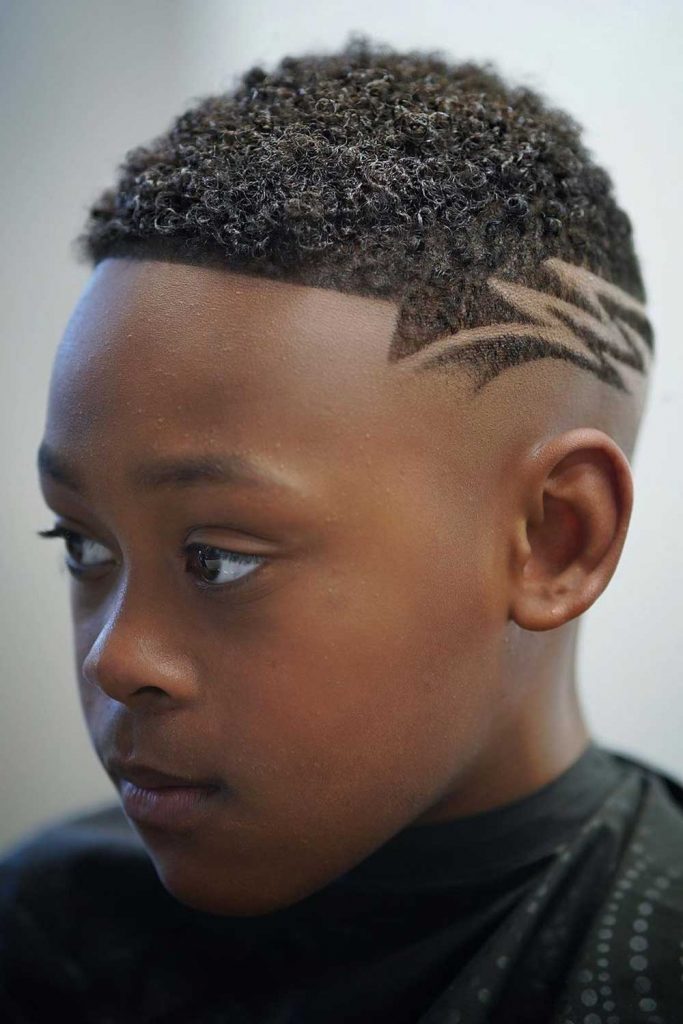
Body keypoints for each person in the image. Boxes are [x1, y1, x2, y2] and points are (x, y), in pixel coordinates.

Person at [1, 33, 681, 1024]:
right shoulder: (41, 936)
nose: (118, 658)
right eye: (84, 545)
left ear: (552, 540)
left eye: (218, 559)